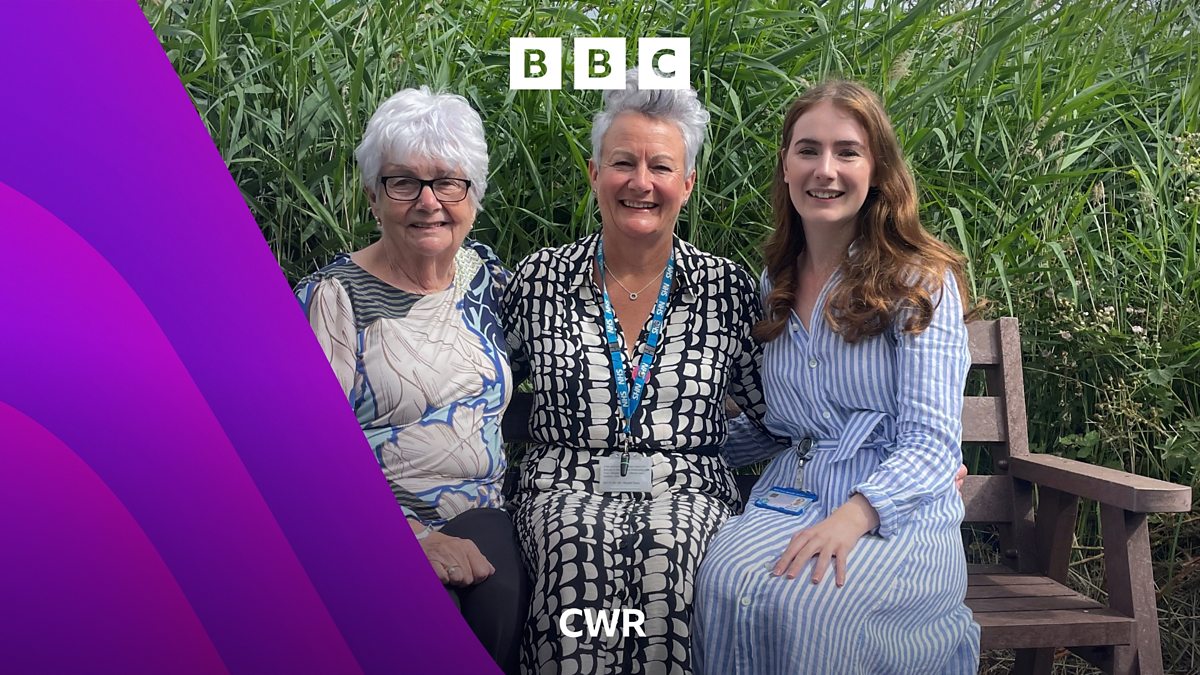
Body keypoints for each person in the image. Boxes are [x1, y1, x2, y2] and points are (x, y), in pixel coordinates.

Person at [692, 79, 981, 674]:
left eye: (847, 151)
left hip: (892, 510)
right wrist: (682, 442)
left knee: (810, 605)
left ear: (876, 169)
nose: (825, 170)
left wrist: (856, 514)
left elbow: (931, 444)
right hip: (789, 495)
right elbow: (779, 427)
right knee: (721, 581)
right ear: (786, 164)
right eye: (808, 150)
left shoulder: (920, 282)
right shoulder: (774, 283)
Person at [501, 70, 784, 674]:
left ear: (688, 182)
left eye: (660, 166)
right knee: (577, 546)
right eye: (623, 163)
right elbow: (483, 389)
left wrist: (895, 451)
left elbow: (782, 412)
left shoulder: (726, 290)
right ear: (594, 173)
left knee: (670, 549)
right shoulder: (538, 280)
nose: (641, 182)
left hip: (687, 489)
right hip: (562, 485)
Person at [293, 87, 526, 674]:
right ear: (374, 196)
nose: (430, 202)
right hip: (369, 520)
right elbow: (305, 458)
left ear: (473, 195)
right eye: (404, 183)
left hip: (481, 514)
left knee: (499, 600)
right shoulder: (334, 298)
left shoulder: (486, 279)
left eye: (449, 182)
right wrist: (414, 538)